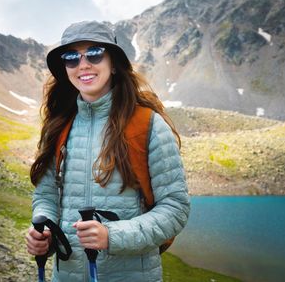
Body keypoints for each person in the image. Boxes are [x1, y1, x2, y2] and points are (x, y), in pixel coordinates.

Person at [26, 21, 190, 281]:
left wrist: (111, 236)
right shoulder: (58, 127)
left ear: (113, 64)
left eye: (94, 53)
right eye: (71, 58)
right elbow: (46, 195)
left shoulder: (147, 125)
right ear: (65, 69)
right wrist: (43, 228)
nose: (83, 64)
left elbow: (175, 208)